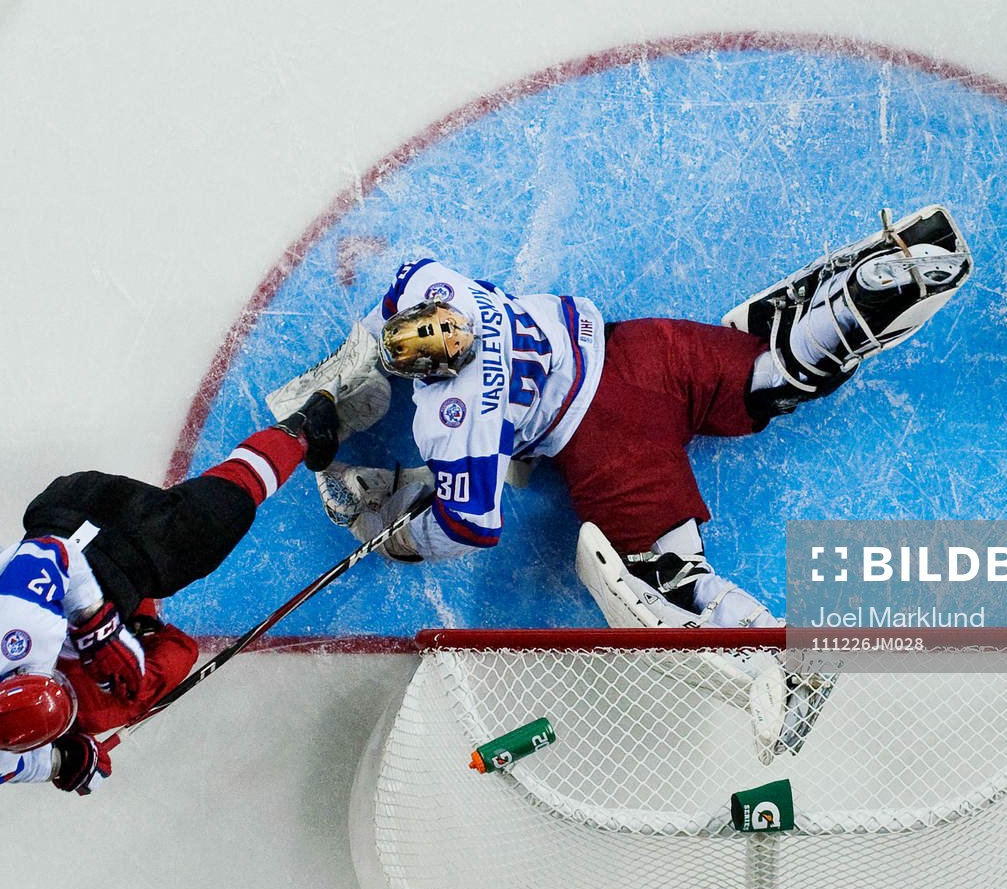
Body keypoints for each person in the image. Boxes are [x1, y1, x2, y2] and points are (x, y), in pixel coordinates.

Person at [286, 208, 970, 632]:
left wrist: (393, 536)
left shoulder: (451, 418)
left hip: (610, 444)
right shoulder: (441, 287)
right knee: (770, 376)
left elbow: (469, 528)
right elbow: (393, 295)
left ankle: (771, 649)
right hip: (643, 350)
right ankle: (860, 299)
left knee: (670, 577)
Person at [0, 393, 342, 794]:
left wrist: (103, 626)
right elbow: (27, 763)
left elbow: (59, 556)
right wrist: (65, 761)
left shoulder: (13, 643)